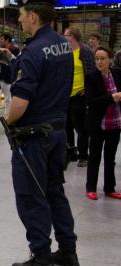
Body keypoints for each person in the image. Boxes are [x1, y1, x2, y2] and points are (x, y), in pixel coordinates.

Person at [4, 0, 78, 266]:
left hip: (34, 136)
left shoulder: (32, 51)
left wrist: (8, 122)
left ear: (33, 17)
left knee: (30, 194)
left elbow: (21, 101)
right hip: (58, 130)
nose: (20, 21)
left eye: (22, 16)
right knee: (54, 190)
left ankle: (42, 259)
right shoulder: (64, 45)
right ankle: (68, 251)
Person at [84, 46, 121, 200]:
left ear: (110, 59)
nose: (99, 62)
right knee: (94, 157)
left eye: (103, 58)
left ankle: (109, 188)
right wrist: (111, 98)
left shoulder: (118, 74)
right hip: (98, 124)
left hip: (115, 124)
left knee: (110, 158)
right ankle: (91, 187)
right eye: (97, 59)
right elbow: (91, 101)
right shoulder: (91, 77)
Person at [64, 27, 95, 168]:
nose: (64, 37)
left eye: (66, 35)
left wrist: (87, 89)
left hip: (79, 95)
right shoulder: (65, 51)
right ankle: (71, 153)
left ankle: (83, 156)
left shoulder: (85, 51)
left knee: (81, 128)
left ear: (73, 37)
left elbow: (92, 72)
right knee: (66, 126)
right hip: (66, 95)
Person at [0, 33, 20, 118]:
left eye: (2, 39)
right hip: (0, 76)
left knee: (8, 98)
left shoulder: (15, 49)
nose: (1, 40)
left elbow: (17, 62)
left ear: (7, 40)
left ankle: (7, 116)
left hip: (9, 77)